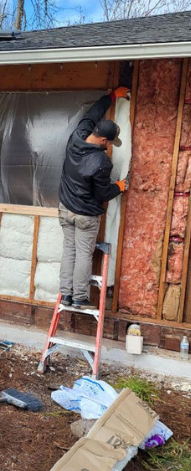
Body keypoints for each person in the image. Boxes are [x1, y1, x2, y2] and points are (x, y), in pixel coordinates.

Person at [58, 86, 130, 310]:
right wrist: (118, 187)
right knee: (83, 255)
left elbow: (92, 114)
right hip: (85, 216)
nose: (109, 147)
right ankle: (79, 297)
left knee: (69, 250)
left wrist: (111, 96)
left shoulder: (77, 137)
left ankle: (66, 294)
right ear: (103, 141)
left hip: (65, 208)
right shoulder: (101, 162)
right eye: (109, 143)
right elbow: (102, 194)